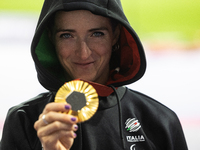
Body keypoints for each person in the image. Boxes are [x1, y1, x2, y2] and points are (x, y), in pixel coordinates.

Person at [0, 0, 188, 150]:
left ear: (115, 34)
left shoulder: (161, 122)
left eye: (97, 34)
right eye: (67, 35)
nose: (83, 53)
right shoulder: (23, 121)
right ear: (50, 38)